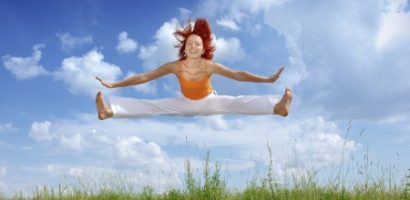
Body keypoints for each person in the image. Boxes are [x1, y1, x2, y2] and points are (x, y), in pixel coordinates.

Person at [95, 18, 292, 120]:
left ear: (203, 48)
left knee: (237, 102)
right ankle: (109, 112)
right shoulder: (175, 66)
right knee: (153, 105)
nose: (194, 46)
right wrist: (114, 84)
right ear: (185, 48)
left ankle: (278, 107)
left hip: (209, 101)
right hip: (184, 102)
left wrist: (266, 79)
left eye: (198, 44)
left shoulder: (209, 66)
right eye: (190, 43)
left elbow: (237, 74)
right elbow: (145, 77)